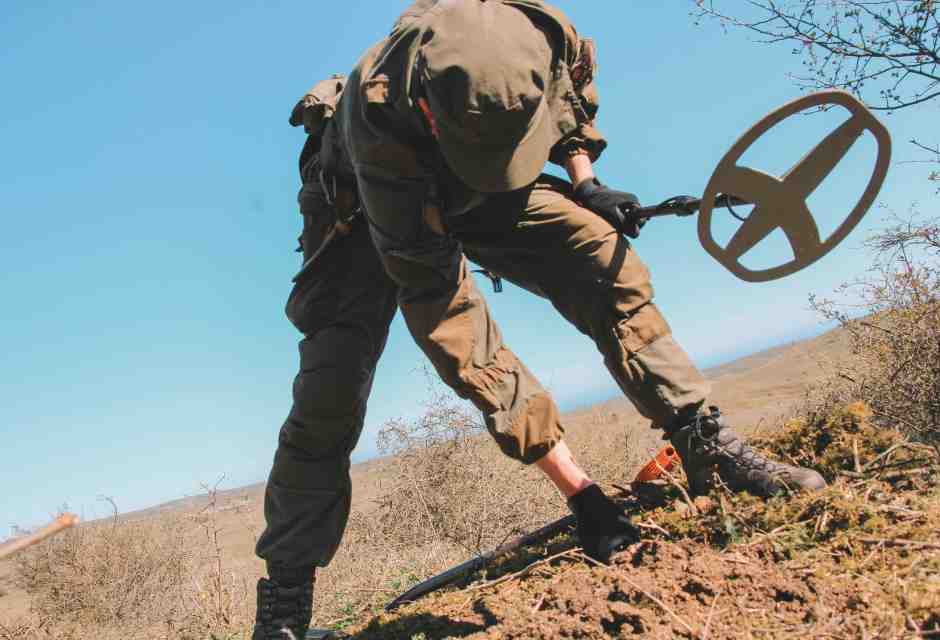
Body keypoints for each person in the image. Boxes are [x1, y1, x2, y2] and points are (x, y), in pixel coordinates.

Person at [253, 2, 826, 637]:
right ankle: (285, 605)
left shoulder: (542, 28)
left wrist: (585, 182)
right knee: (331, 388)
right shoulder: (381, 116)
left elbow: (571, 98)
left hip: (478, 172)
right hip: (362, 204)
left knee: (598, 257)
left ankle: (706, 445)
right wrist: (582, 494)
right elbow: (453, 322)